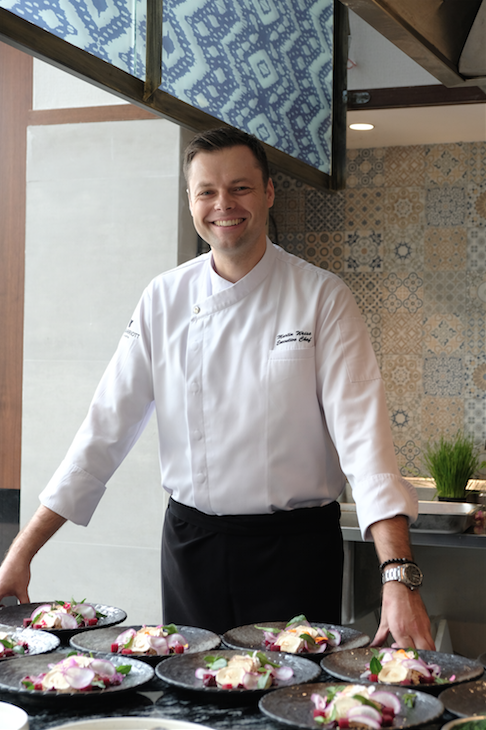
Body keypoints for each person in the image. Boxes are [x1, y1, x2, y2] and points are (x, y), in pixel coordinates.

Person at [0, 127, 434, 649]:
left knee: (291, 694)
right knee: (193, 693)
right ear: (190, 200)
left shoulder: (322, 297)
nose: (223, 204)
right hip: (193, 551)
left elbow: (366, 446)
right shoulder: (163, 298)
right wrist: (22, 551)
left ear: (268, 192)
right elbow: (104, 431)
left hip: (295, 554)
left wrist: (398, 576)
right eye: (206, 191)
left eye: (240, 187)